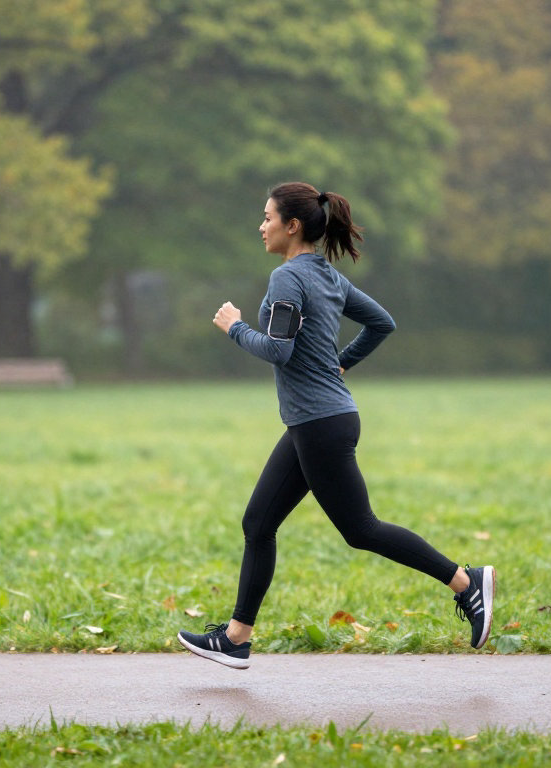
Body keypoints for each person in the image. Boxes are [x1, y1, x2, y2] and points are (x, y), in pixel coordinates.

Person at [177, 181, 494, 670]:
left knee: (361, 529)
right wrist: (338, 364)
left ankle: (466, 583)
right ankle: (236, 637)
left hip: (321, 424)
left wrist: (235, 327)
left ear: (292, 225)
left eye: (266, 218)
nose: (261, 226)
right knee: (258, 523)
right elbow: (382, 323)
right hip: (319, 421)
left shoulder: (287, 279)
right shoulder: (326, 275)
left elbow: (278, 350)